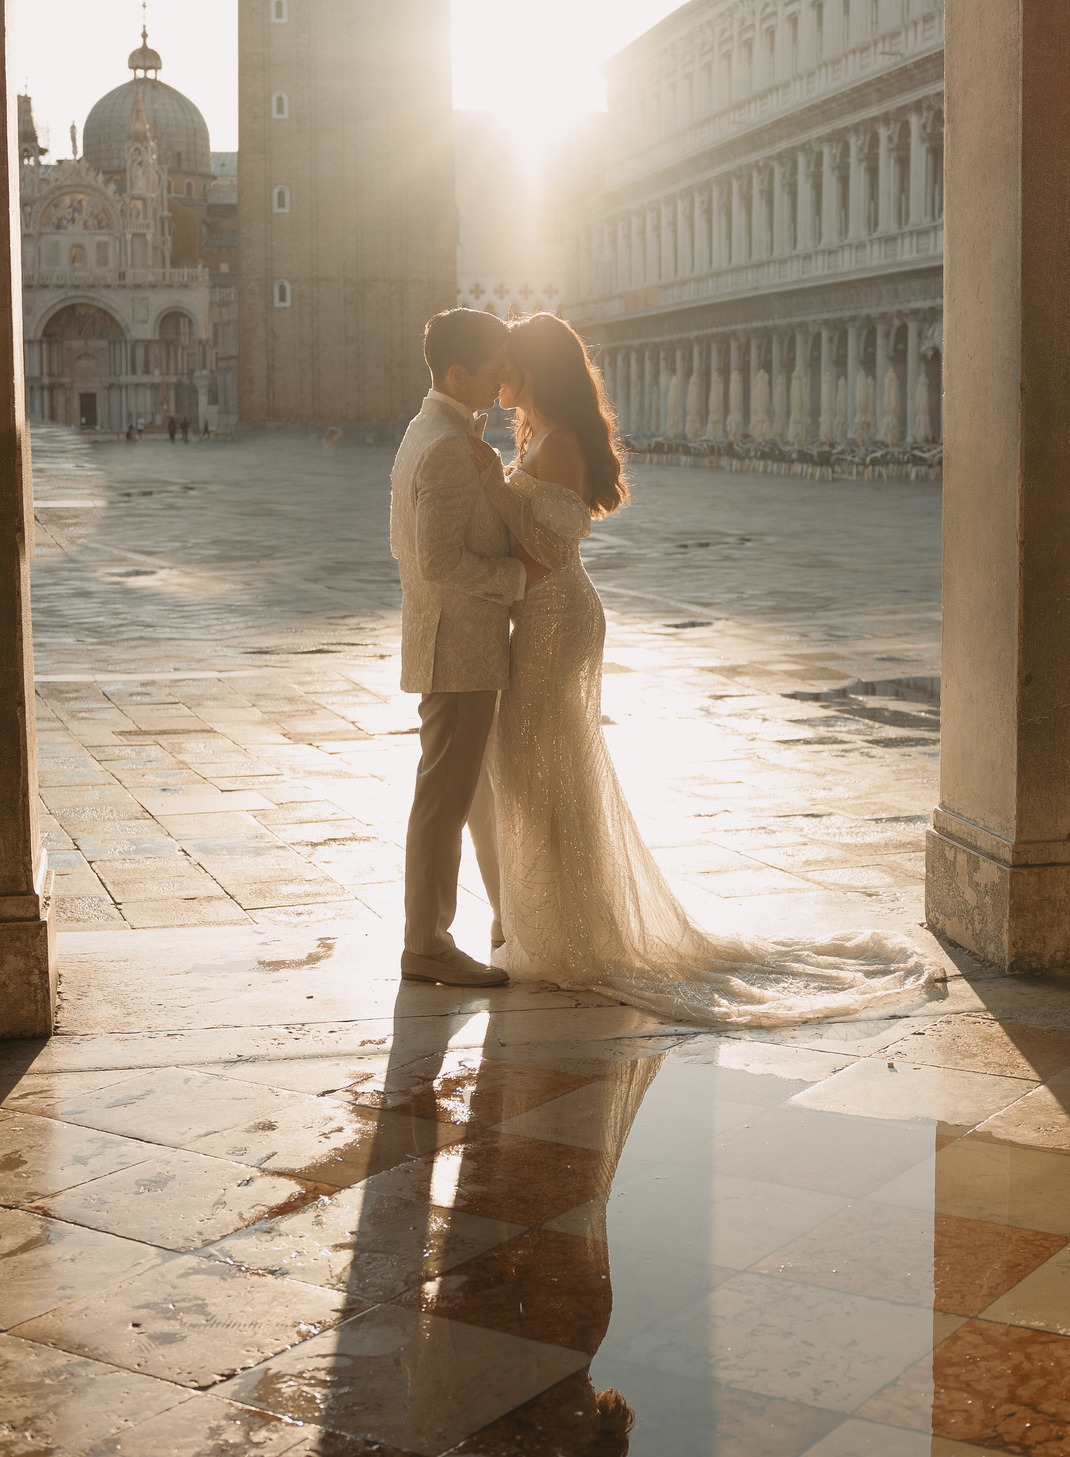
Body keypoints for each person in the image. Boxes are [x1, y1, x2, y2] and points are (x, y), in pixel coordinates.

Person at [461, 312, 939, 1027]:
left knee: (545, 767)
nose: (497, 377)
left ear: (531, 369)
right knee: (532, 768)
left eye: (506, 366)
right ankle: (548, 917)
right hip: (542, 618)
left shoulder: (558, 445)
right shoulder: (538, 436)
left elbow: (547, 552)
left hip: (556, 620)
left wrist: (491, 485)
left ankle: (570, 928)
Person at [389, 309, 548, 988]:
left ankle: (499, 917)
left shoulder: (426, 429)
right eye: (493, 367)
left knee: (467, 796)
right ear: (459, 374)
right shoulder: (449, 445)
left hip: (448, 640)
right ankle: (427, 941)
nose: (502, 377)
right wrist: (516, 578)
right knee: (445, 800)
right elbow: (439, 560)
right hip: (460, 645)